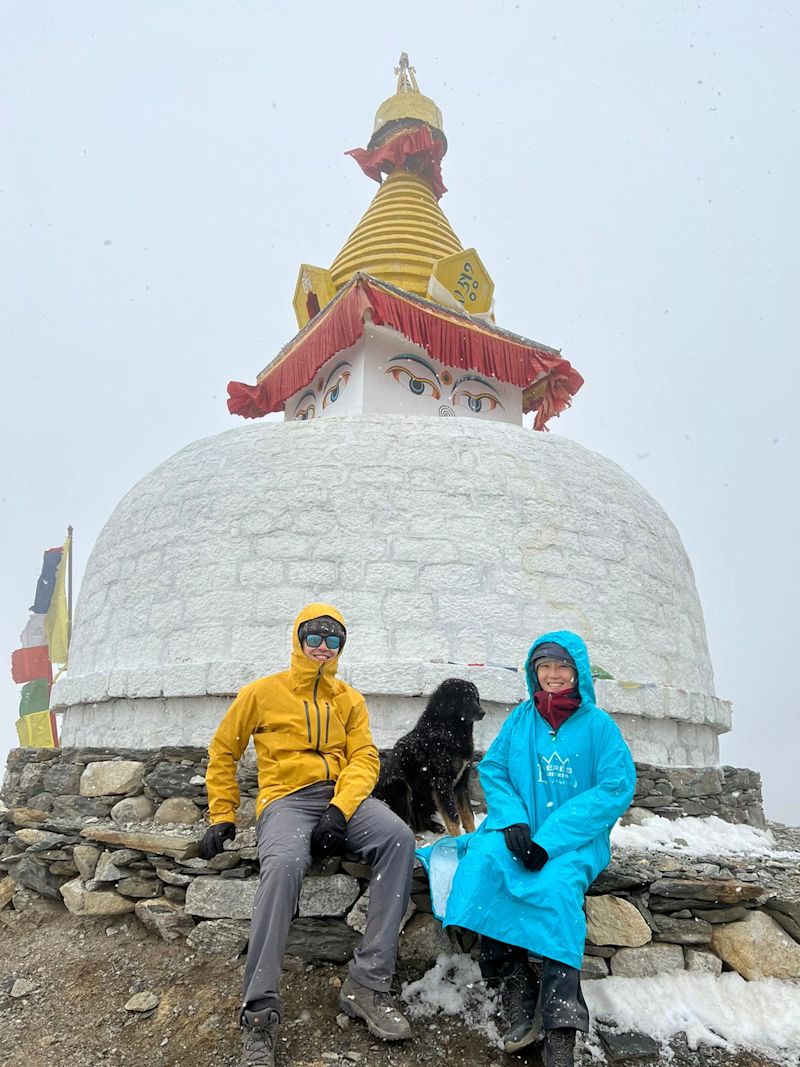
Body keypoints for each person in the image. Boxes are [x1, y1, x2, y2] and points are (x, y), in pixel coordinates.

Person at [199, 603, 417, 1067]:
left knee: (398, 838)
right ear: (298, 640)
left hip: (343, 798)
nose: (322, 647)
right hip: (286, 799)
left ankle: (368, 985)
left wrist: (340, 809)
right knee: (283, 866)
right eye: (313, 637)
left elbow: (364, 759)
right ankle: (259, 1014)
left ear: (341, 646)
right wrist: (222, 813)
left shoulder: (349, 700)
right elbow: (224, 750)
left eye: (332, 640)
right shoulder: (263, 692)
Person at [419, 630, 636, 1067]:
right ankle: (513, 981)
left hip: (573, 843)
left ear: (578, 672)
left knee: (557, 888)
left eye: (562, 667)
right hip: (518, 833)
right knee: (484, 863)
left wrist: (548, 839)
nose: (553, 675)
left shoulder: (599, 727)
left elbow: (615, 787)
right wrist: (514, 819)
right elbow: (496, 769)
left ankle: (561, 1021)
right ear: (533, 673)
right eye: (544, 667)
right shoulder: (522, 719)